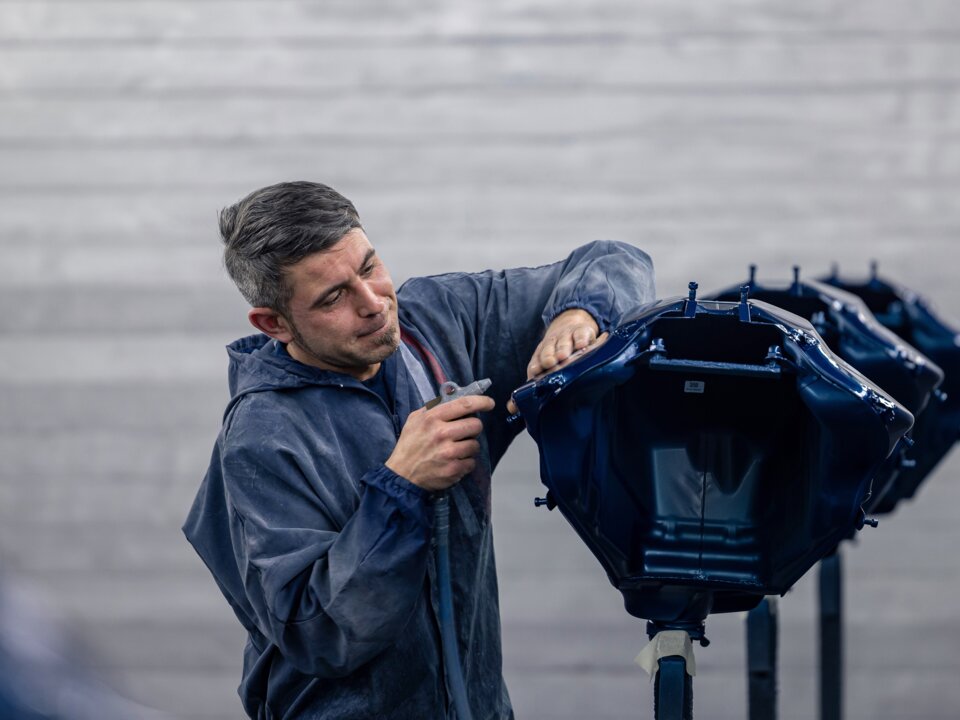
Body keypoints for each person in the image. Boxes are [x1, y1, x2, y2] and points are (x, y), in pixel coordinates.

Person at [183, 181, 655, 719]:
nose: (375, 304)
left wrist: (577, 318)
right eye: (333, 297)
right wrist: (399, 486)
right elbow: (319, 634)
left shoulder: (439, 326)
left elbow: (614, 260)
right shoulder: (262, 437)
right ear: (274, 323)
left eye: (368, 267)